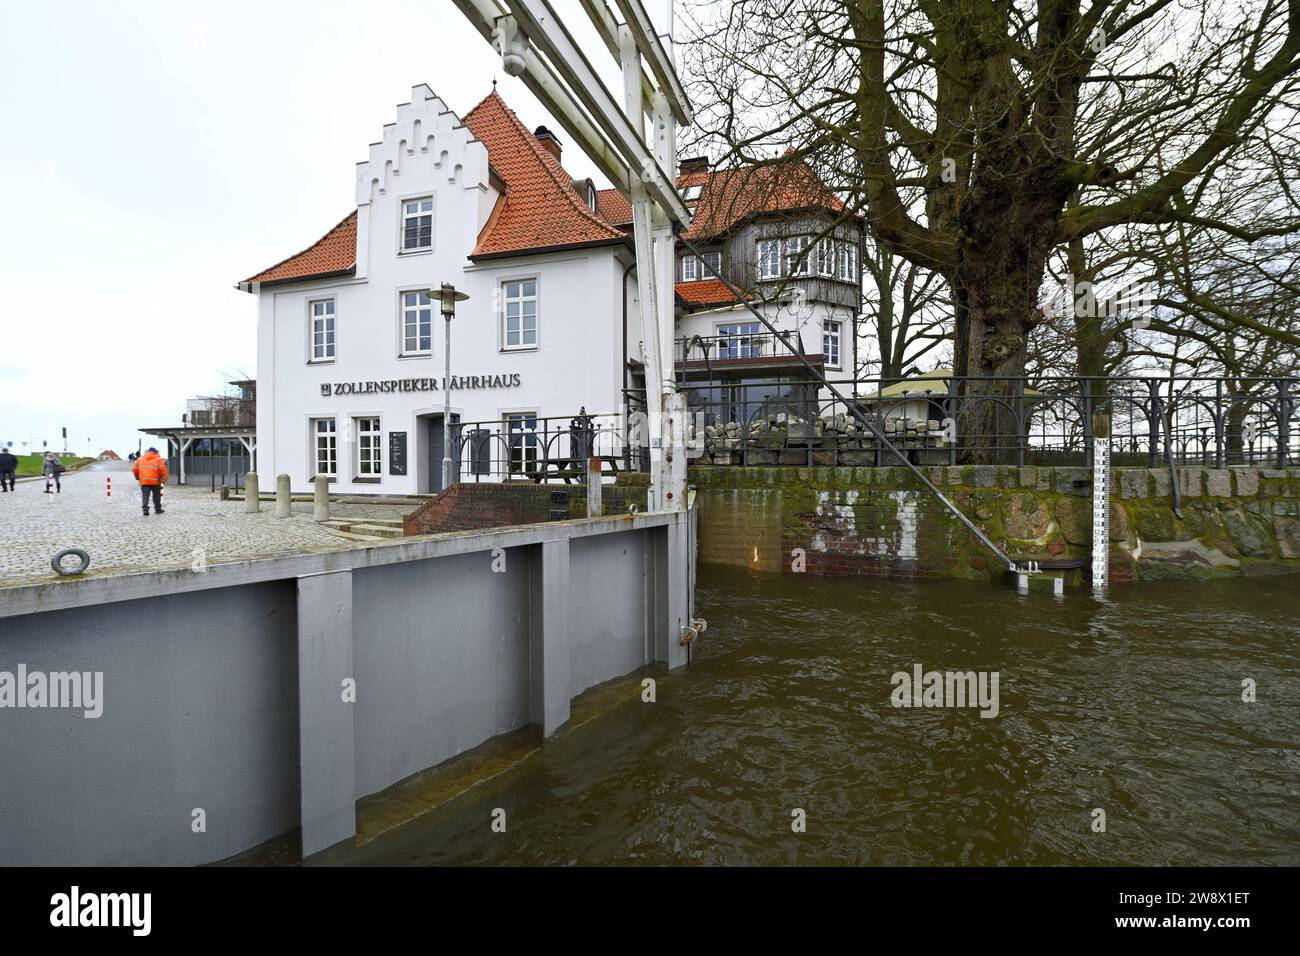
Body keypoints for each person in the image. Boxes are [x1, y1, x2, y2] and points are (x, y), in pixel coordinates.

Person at [132, 446, 168, 516]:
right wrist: (163, 479)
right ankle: (158, 509)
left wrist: (137, 477)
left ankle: (145, 510)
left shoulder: (140, 459)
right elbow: (163, 470)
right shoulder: (158, 459)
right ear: (155, 452)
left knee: (145, 496)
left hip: (144, 482)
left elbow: (134, 469)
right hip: (156, 482)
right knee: (156, 496)